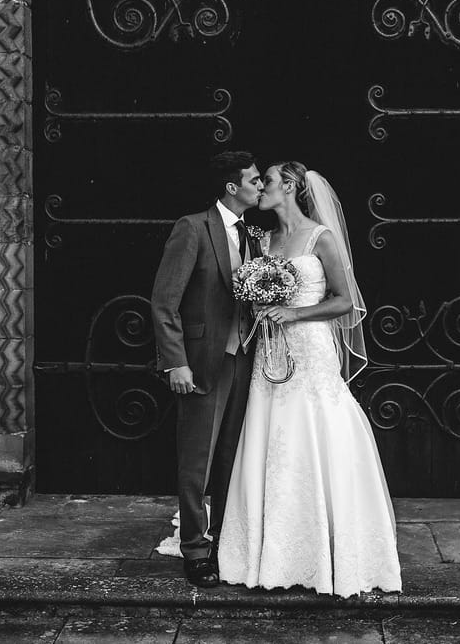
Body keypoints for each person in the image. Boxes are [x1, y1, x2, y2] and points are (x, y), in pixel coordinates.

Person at [217, 161, 402, 597]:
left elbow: (344, 301)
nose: (261, 186)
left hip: (311, 349)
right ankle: (270, 552)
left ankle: (330, 550)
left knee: (315, 432)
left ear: (292, 187)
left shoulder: (322, 237)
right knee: (272, 435)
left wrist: (295, 312)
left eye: (269, 180)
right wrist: (260, 306)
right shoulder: (264, 240)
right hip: (271, 348)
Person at [151, 150, 264, 587]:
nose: (261, 186)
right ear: (232, 187)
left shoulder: (252, 235)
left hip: (243, 361)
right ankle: (196, 551)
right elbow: (164, 302)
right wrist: (175, 363)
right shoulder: (192, 228)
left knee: (230, 460)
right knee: (196, 462)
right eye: (254, 180)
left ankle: (224, 544)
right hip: (200, 365)